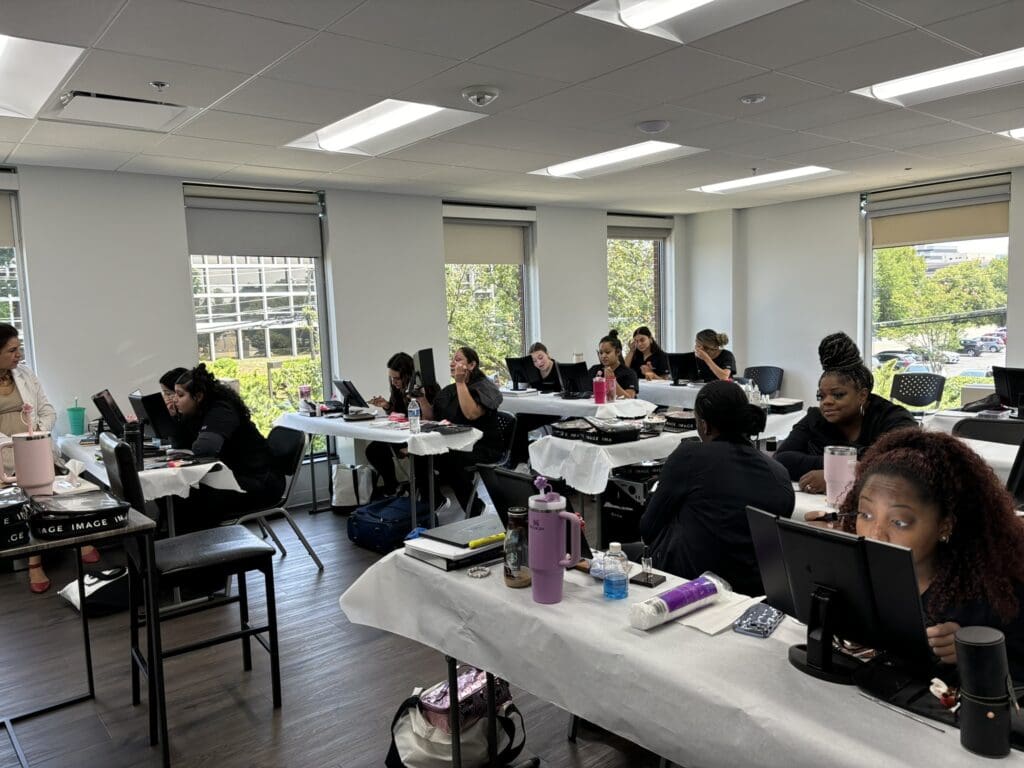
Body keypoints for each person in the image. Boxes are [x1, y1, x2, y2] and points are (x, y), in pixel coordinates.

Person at [838, 429, 1024, 681]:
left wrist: (975, 653)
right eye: (866, 515)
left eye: (900, 522)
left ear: (944, 526)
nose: (875, 535)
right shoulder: (860, 576)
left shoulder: (993, 598)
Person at [636, 381, 794, 596]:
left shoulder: (689, 456)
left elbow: (648, 529)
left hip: (688, 586)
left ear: (704, 425)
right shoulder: (779, 474)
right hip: (753, 592)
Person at [0, 324, 87, 593]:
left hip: (33, 447)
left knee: (48, 491)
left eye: (19, 348)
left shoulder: (25, 374)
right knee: (24, 499)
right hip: (2, 455)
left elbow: (47, 410)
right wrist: (13, 442)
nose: (19, 354)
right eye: (12, 350)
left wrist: (36, 434)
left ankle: (73, 539)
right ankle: (34, 565)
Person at [776, 332, 917, 493]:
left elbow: (906, 464)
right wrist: (846, 465)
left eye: (838, 395)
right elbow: (782, 459)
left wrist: (841, 475)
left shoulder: (893, 419)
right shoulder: (815, 418)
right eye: (820, 396)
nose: (826, 402)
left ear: (862, 395)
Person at [170, 364, 285, 531]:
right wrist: (178, 419)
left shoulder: (221, 410)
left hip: (262, 482)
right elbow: (180, 445)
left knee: (192, 495)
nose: (175, 400)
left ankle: (203, 547)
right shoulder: (198, 413)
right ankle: (188, 544)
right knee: (181, 493)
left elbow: (204, 449)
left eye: (180, 395)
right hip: (241, 476)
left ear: (199, 396)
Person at [420, 347, 503, 517]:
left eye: (458, 360)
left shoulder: (485, 387)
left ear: (472, 365)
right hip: (457, 443)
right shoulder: (449, 391)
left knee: (450, 458)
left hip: (483, 446)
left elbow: (471, 413)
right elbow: (431, 416)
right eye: (452, 359)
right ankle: (434, 502)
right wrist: (420, 398)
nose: (452, 363)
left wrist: (460, 383)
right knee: (421, 454)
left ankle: (475, 508)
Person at [366, 352, 435, 497]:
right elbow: (400, 414)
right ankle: (393, 487)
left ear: (408, 375)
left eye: (397, 378)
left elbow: (431, 418)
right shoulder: (398, 390)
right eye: (391, 378)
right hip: (405, 433)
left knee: (417, 456)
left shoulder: (426, 387)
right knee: (374, 450)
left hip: (421, 435)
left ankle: (430, 497)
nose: (393, 382)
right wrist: (386, 405)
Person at [588, 330, 638, 399]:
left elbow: (629, 398)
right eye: (601, 353)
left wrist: (611, 381)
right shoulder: (594, 369)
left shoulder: (629, 373)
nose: (603, 356)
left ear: (618, 352)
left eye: (607, 352)